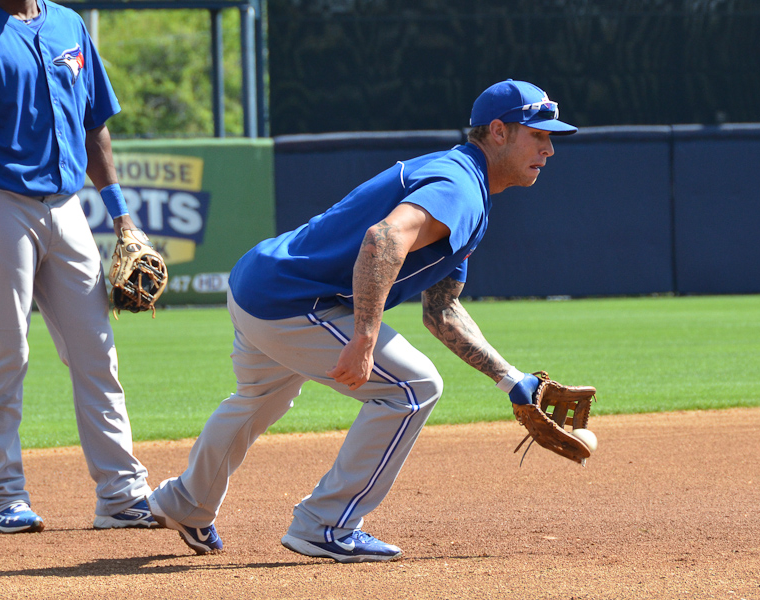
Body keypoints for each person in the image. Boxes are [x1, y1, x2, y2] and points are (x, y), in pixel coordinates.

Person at [147, 79, 577, 561]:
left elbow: (442, 311)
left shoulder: (463, 181)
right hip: (295, 300)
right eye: (537, 134)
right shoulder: (460, 186)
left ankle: (185, 501)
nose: (549, 148)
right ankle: (324, 524)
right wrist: (364, 338)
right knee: (414, 387)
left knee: (261, 396)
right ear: (498, 131)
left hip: (259, 282)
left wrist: (509, 379)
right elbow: (383, 240)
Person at [0, 0, 155, 532]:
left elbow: (93, 124)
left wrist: (124, 219)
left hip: (67, 207)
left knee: (97, 352)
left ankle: (122, 494)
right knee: (4, 354)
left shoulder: (69, 24)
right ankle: (0, 493)